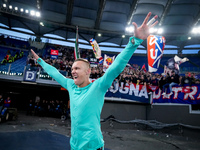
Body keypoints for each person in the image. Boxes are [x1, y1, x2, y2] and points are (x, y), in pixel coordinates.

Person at [31, 12, 158, 150]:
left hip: (93, 147)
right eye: (72, 68)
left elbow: (115, 68)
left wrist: (135, 42)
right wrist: (40, 61)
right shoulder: (70, 85)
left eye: (77, 68)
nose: (73, 71)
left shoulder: (98, 87)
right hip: (74, 146)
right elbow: (55, 73)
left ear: (88, 71)